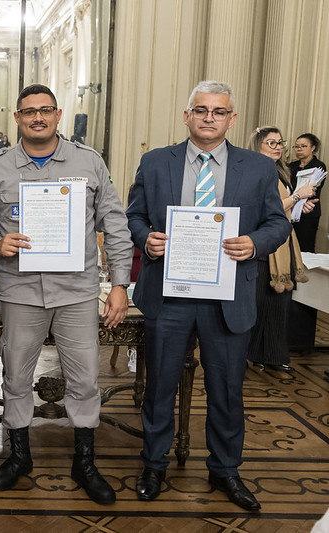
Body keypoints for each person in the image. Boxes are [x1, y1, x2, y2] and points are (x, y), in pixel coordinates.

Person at [126, 81, 291, 511]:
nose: (209, 118)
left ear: (231, 119)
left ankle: (225, 471)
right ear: (187, 116)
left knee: (226, 390)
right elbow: (135, 215)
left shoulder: (257, 168)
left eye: (219, 112)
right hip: (170, 294)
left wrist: (254, 243)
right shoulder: (156, 162)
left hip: (228, 296)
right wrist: (147, 240)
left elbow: (278, 223)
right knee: (160, 386)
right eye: (201, 110)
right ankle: (154, 465)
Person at [0, 84, 133, 505]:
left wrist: (119, 284)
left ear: (59, 114)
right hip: (21, 290)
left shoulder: (89, 162)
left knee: (84, 378)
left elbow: (115, 225)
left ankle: (84, 460)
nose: (38, 118)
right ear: (17, 117)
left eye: (45, 111)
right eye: (29, 112)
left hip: (77, 291)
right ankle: (19, 455)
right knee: (15, 375)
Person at [247, 127, 316, 373]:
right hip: (264, 246)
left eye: (279, 142)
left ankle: (272, 354)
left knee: (277, 303)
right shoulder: (255, 171)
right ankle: (255, 353)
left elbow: (282, 211)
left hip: (282, 242)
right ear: (258, 146)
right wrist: (297, 197)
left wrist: (298, 208)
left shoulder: (279, 172)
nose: (277, 147)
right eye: (271, 142)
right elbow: (268, 208)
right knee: (262, 302)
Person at [288, 133, 325, 252]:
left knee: (305, 246)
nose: (299, 149)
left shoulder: (318, 166)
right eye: (296, 146)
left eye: (303, 146)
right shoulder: (290, 166)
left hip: (309, 211)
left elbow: (312, 188)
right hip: (291, 208)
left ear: (313, 148)